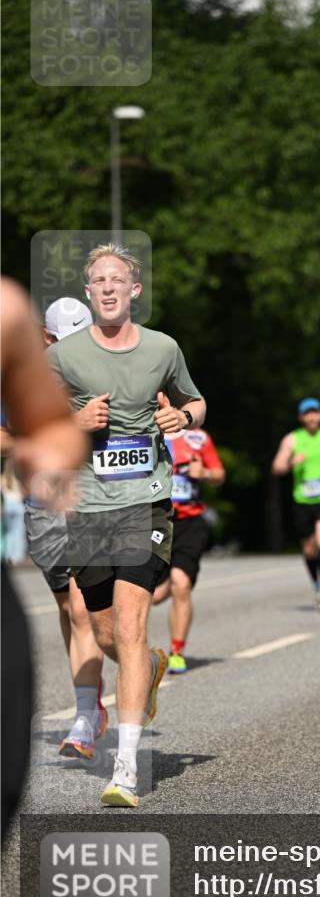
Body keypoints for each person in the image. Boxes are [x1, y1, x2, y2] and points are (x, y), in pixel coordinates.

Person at [47, 243, 206, 808]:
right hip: (89, 507)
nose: (109, 288)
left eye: (118, 279)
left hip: (147, 501)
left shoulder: (163, 348)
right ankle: (153, 666)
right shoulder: (61, 357)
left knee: (132, 624)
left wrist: (181, 416)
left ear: (134, 290)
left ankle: (126, 768)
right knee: (106, 631)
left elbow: (197, 402)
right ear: (88, 291)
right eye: (99, 280)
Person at [1, 277, 87, 837]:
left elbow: (51, 428)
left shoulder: (5, 309)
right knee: (73, 608)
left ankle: (90, 709)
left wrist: (50, 453)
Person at [20, 297, 107, 759]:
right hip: (44, 505)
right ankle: (94, 697)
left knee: (81, 610)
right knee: (66, 607)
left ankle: (85, 717)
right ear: (47, 339)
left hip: (94, 501)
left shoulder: (107, 369)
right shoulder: (25, 379)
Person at [152, 426, 224, 673]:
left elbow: (219, 474)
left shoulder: (198, 437)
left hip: (190, 522)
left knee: (181, 584)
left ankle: (176, 651)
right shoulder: (145, 431)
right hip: (154, 520)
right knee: (153, 597)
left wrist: (204, 473)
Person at [272, 398, 320, 613]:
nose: (312, 417)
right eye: (307, 413)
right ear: (301, 417)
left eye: (315, 412)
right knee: (309, 549)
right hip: (302, 500)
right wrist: (291, 462)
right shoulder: (292, 439)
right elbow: (277, 467)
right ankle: (317, 583)